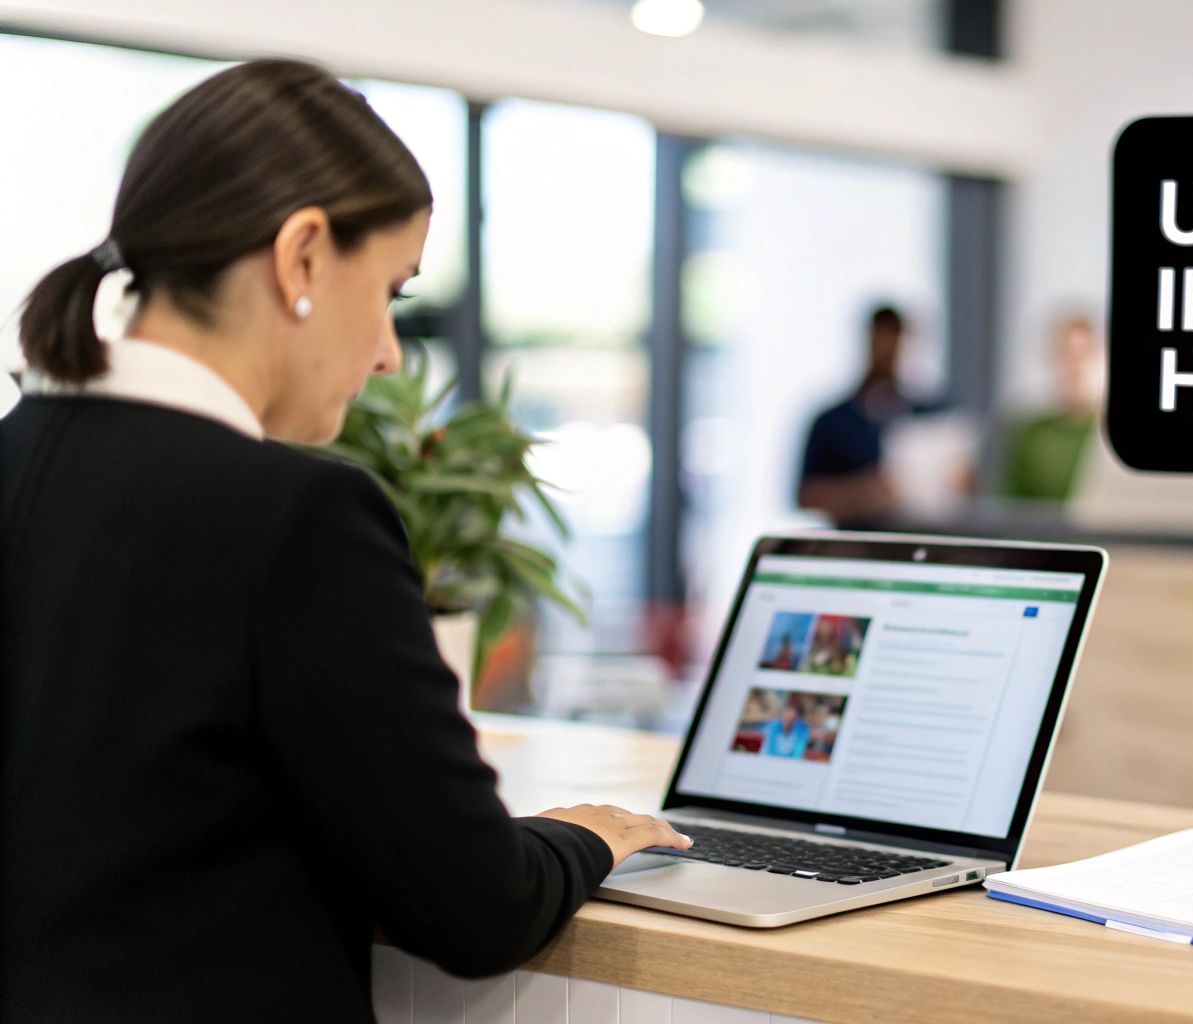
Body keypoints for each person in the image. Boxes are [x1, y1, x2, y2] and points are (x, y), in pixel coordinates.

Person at [0, 60, 689, 1022]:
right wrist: (585, 835)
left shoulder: (18, 453)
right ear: (304, 257)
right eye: (394, 294)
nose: (388, 354)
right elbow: (474, 904)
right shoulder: (295, 517)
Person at [796, 304, 938, 528]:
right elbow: (805, 495)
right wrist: (862, 494)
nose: (888, 350)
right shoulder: (832, 422)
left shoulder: (931, 419)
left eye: (895, 340)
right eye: (881, 338)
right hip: (853, 546)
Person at [1000, 311, 1104, 503]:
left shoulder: (1110, 435)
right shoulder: (1032, 435)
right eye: (1066, 355)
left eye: (1084, 355)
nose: (1075, 367)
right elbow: (1011, 507)